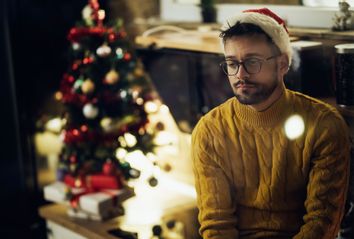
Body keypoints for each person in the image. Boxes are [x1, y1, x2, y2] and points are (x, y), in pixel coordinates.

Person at [191, 8, 351, 239]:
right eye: (232, 63)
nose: (241, 75)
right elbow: (216, 224)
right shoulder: (210, 130)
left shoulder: (323, 125)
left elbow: (322, 223)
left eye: (252, 62)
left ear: (283, 64)